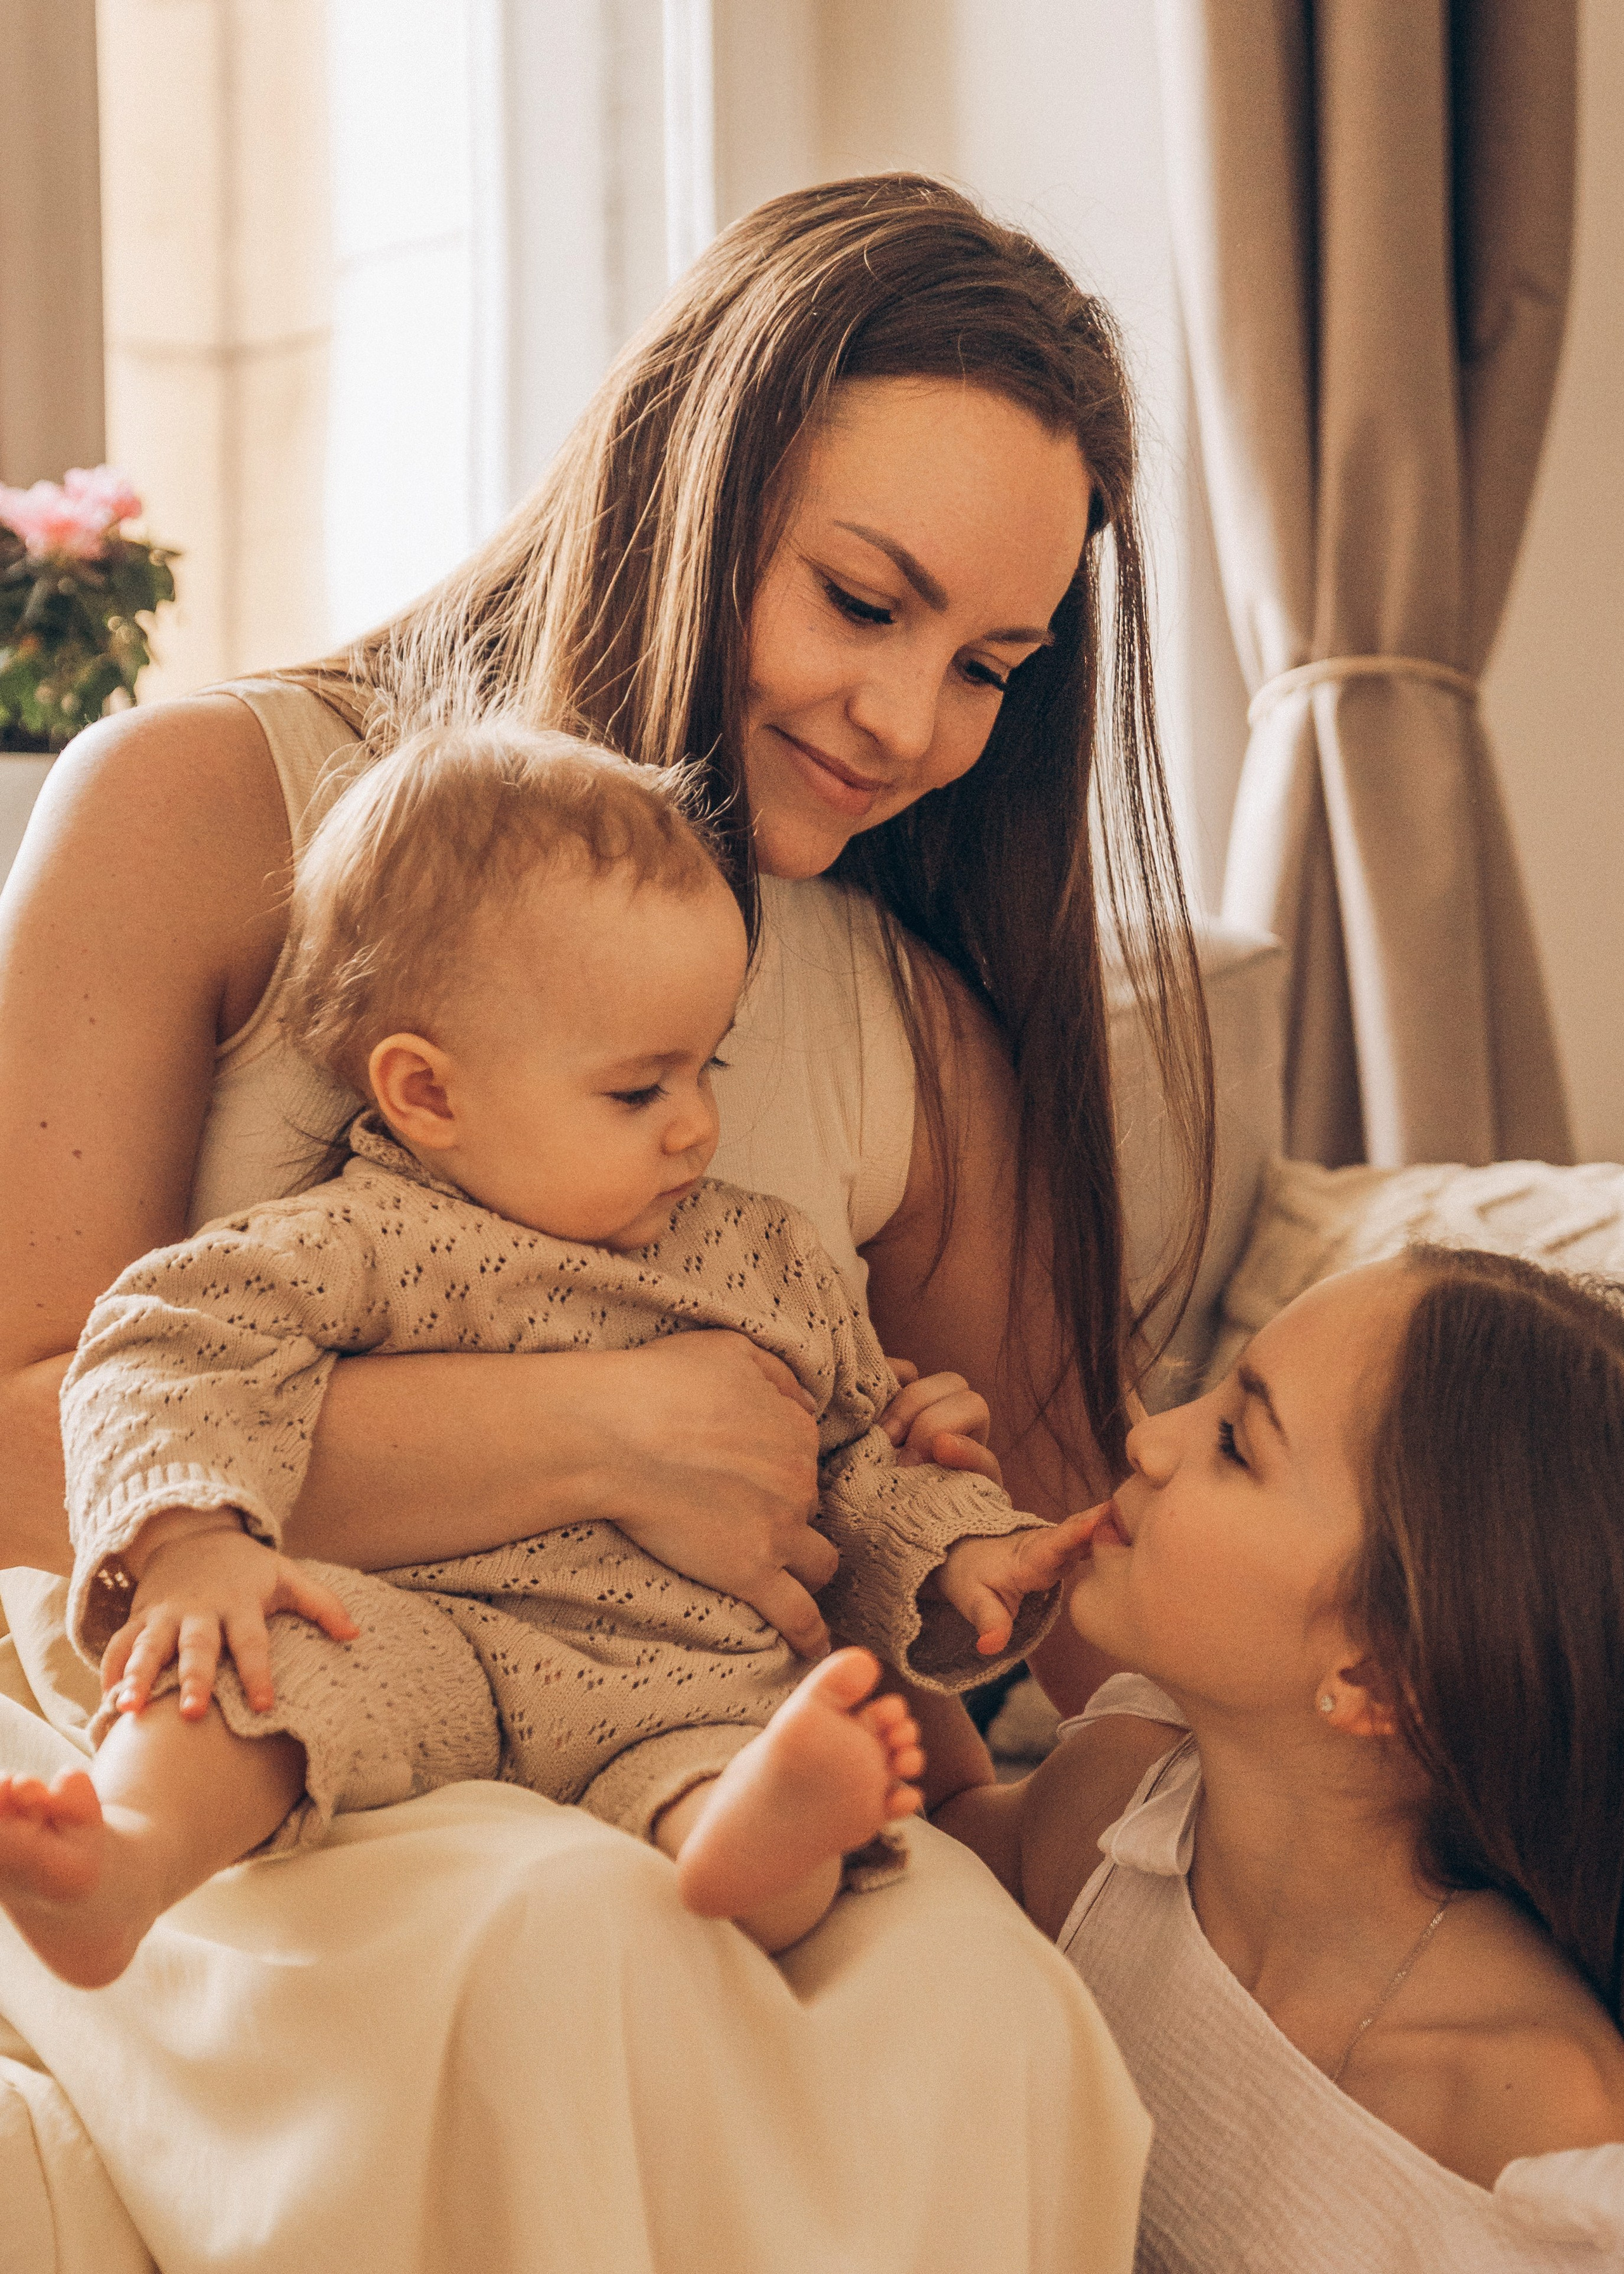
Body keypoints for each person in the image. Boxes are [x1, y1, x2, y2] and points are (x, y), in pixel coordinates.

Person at [0, 175, 1206, 2269]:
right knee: (567, 1957)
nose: (913, 724)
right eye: (863, 598)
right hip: (231, 1729)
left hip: (669, 1739)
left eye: (992, 663)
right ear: (695, 478)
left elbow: (1042, 1562)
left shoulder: (909, 1016)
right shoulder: (207, 806)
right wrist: (609, 1438)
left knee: (990, 2011)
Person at [3, 721, 1090, 1983]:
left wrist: (960, 1550)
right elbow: (160, 1352)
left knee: (767, 1757)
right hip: (414, 1629)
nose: (697, 1127)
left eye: (707, 1065)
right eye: (639, 1090)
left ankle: (755, 1845)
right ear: (429, 1095)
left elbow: (850, 1469)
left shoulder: (758, 1261)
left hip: (676, 1680)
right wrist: (191, 1547)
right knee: (249, 1673)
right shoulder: (358, 1239)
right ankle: (123, 1854)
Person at [934, 1247, 1624, 2271]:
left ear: (1381, 1672)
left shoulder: (1538, 2133)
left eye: (1234, 1443)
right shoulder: (1115, 1809)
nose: (1150, 1438)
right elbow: (918, 1841)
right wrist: (894, 1545)